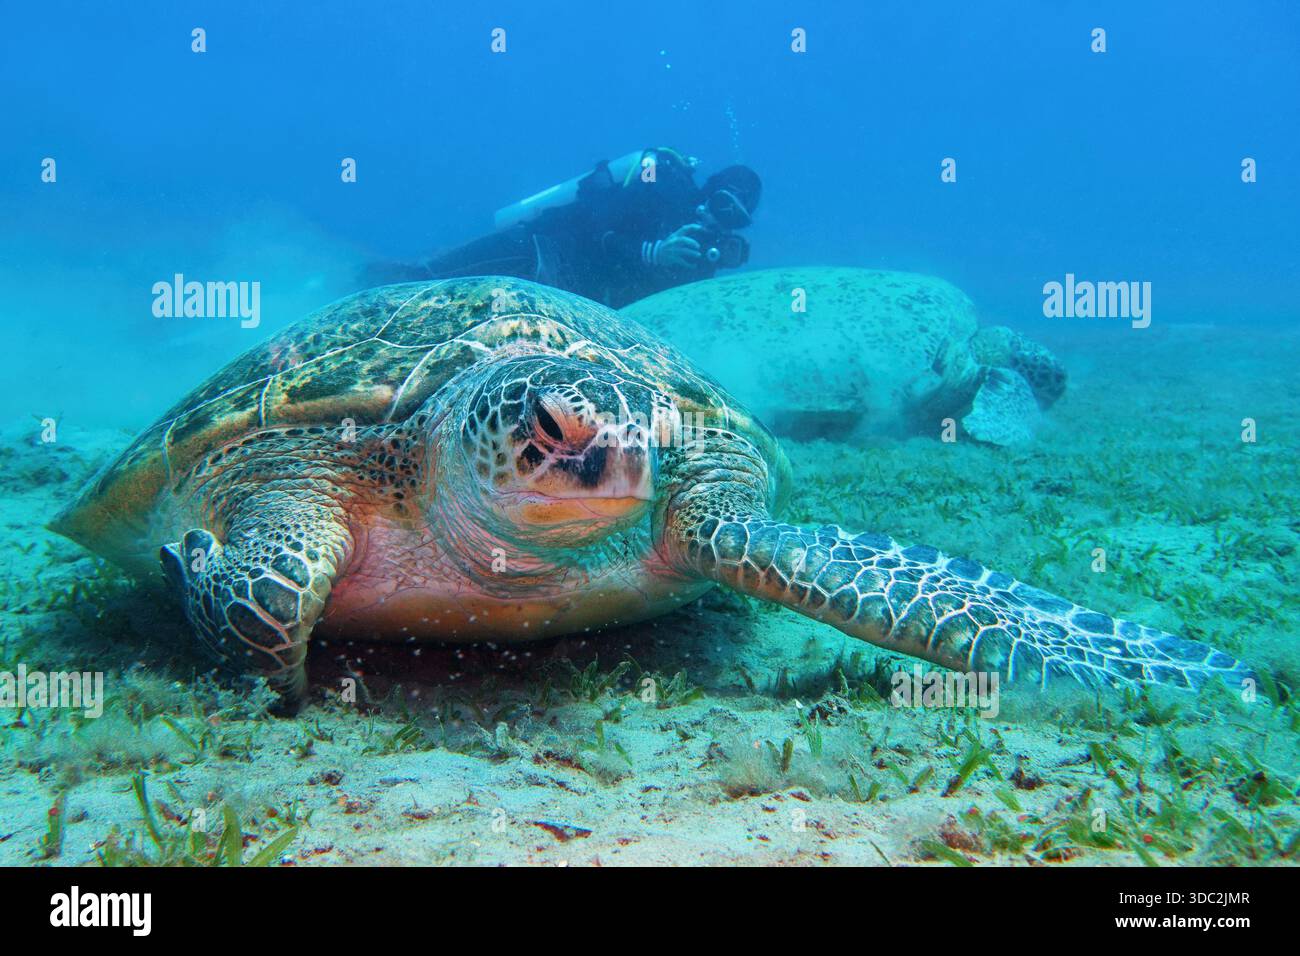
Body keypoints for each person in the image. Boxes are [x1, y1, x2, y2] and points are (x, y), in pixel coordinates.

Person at [367, 148, 761, 308]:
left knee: (458, 307)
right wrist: (651, 251)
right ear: (708, 191)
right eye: (723, 205)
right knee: (423, 278)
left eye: (735, 219)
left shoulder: (697, 258)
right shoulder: (660, 183)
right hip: (543, 249)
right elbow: (597, 221)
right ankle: (356, 290)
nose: (719, 220)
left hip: (574, 300)